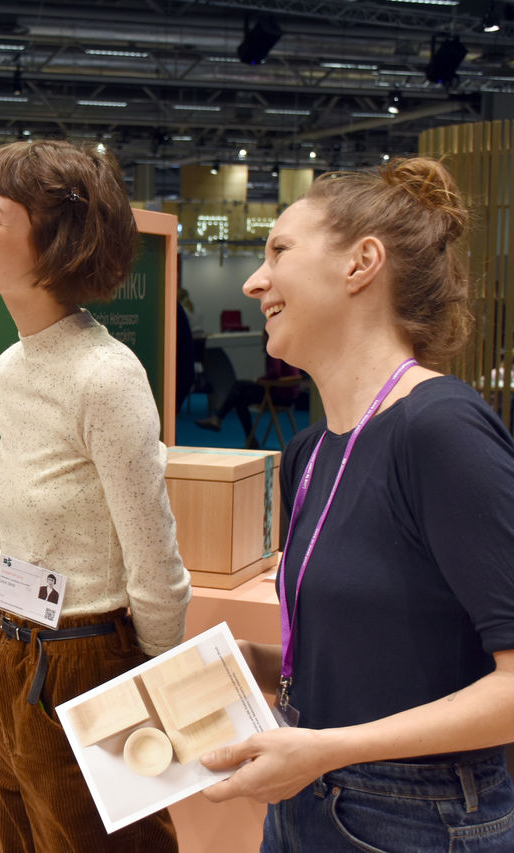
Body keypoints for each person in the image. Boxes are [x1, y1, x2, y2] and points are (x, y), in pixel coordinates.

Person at [200, 158, 514, 850]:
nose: (255, 280)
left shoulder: (440, 429)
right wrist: (235, 663)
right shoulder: (308, 454)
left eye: (278, 250)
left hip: (422, 819)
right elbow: (373, 642)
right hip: (307, 799)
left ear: (361, 263)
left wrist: (326, 748)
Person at [0, 139, 189, 851]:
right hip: (13, 639)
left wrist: (147, 683)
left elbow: (154, 555)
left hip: (91, 652)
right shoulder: (9, 367)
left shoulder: (105, 376)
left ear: (52, 245)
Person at [195, 347, 302, 448]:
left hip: (279, 394)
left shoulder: (275, 349)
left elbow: (274, 373)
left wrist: (260, 380)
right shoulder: (286, 348)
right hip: (289, 394)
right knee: (240, 397)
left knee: (239, 389)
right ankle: (245, 436)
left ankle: (218, 418)